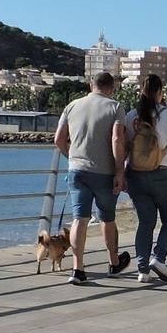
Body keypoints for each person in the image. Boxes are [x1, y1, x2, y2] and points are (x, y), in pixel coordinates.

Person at [53, 72, 132, 285]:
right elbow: (117, 138)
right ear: (112, 88)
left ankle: (78, 269)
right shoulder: (115, 107)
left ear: (91, 85)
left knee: (80, 219)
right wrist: (119, 171)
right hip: (104, 172)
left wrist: (72, 157)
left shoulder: (72, 106)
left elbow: (59, 139)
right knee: (107, 218)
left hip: (77, 170)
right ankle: (114, 263)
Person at [120, 72, 167, 285]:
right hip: (164, 174)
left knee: (145, 222)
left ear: (142, 91)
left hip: (136, 175)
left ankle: (142, 270)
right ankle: (159, 258)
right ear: (159, 92)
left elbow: (124, 148)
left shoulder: (131, 116)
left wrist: (121, 175)